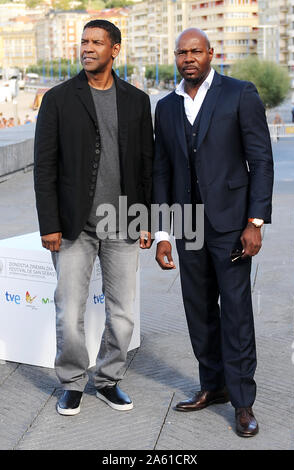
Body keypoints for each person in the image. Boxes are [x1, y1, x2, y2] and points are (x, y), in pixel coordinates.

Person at [153, 28, 273, 437]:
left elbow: (260, 159)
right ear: (175, 57)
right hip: (187, 229)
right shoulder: (166, 108)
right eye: (181, 52)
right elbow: (163, 172)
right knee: (199, 311)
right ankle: (213, 386)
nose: (188, 58)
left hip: (231, 226)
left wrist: (254, 222)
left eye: (195, 51)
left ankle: (243, 402)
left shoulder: (239, 94)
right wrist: (164, 232)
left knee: (236, 313)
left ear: (210, 54)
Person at [34, 20, 153, 416]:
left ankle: (107, 379)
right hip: (73, 226)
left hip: (123, 223)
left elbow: (145, 165)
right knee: (69, 311)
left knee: (123, 314)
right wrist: (48, 222)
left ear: (114, 49)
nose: (87, 48)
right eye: (83, 42)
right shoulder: (58, 99)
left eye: (96, 42)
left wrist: (147, 217)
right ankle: (71, 382)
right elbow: (45, 166)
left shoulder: (137, 101)